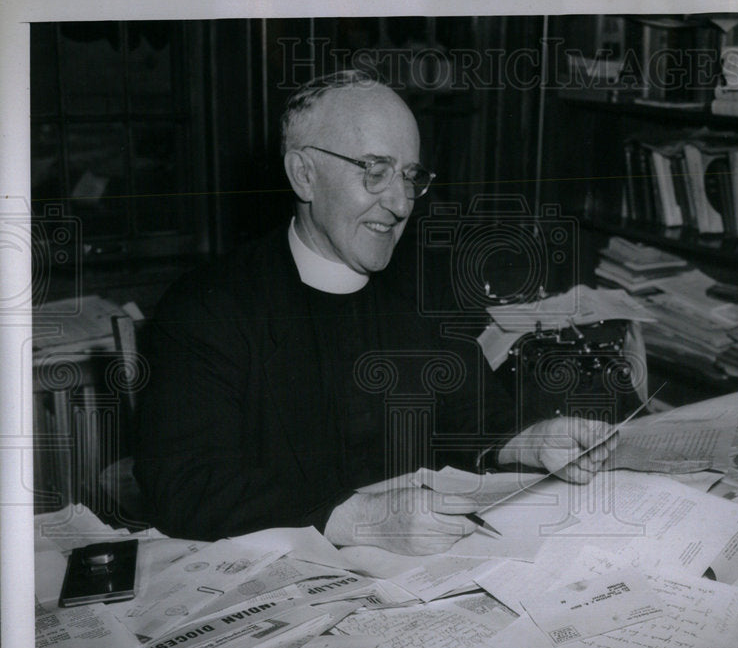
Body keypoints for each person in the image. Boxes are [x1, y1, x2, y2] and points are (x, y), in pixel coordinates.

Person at [134, 70, 618, 554]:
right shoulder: (207, 306)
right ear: (304, 174)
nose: (400, 202)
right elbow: (183, 485)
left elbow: (471, 411)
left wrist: (528, 441)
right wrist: (358, 521)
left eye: (410, 175)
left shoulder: (419, 284)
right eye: (375, 171)